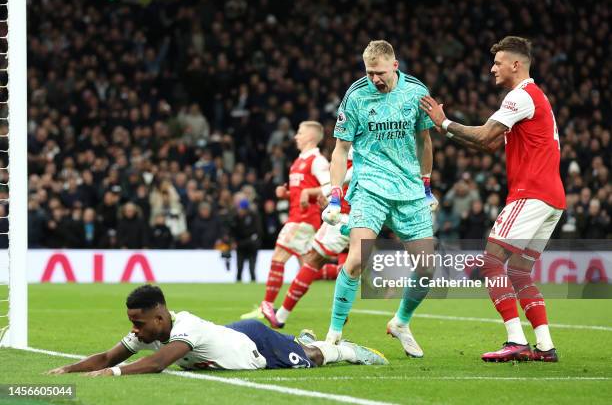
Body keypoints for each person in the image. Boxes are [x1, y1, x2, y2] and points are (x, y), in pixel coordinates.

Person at [420, 36, 565, 362]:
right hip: (552, 197)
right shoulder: (535, 98)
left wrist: (443, 122)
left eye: (498, 63)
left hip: (532, 193)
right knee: (519, 272)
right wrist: (447, 129)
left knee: (491, 262)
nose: (492, 68)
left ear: (516, 64)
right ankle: (545, 345)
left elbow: (485, 134)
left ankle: (516, 340)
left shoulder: (521, 96)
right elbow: (488, 145)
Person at [322, 40, 437, 358]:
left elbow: (424, 140)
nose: (375, 79)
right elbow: (341, 149)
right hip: (370, 188)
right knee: (357, 258)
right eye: (370, 72)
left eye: (380, 72)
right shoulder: (356, 95)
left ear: (395, 66)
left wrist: (426, 186)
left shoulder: (416, 92)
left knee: (427, 266)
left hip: (409, 190)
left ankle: (400, 322)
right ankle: (333, 332)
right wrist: (336, 196)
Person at [46, 285, 388, 376]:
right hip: (230, 335)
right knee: (299, 347)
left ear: (161, 317)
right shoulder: (149, 333)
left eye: (138, 322)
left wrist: (116, 373)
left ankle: (344, 349)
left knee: (310, 359)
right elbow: (107, 356)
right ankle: (301, 340)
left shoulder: (185, 328)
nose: (133, 329)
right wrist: (69, 369)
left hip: (255, 347)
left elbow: (158, 364)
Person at [241, 121, 330, 319]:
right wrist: (287, 194)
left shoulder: (317, 160)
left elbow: (331, 185)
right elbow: (303, 193)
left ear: (310, 137)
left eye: (299, 133)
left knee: (278, 257)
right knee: (310, 268)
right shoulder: (298, 161)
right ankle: (348, 274)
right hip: (301, 218)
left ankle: (267, 306)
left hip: (303, 219)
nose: (296, 137)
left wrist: (309, 192)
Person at [262, 150, 355, 328]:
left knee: (312, 262)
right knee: (348, 267)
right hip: (365, 215)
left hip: (343, 214)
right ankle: (340, 319)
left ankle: (279, 315)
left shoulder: (351, 144)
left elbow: (350, 173)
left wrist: (328, 193)